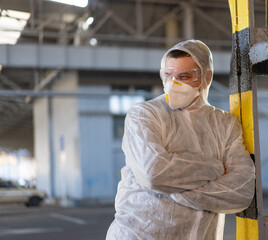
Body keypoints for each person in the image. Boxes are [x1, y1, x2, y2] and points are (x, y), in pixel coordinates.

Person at [106, 39, 255, 240]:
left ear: (206, 78)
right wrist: (216, 169)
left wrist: (174, 188)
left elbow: (241, 192)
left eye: (184, 76)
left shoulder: (225, 124)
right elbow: (154, 174)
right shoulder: (144, 115)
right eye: (168, 75)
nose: (173, 84)